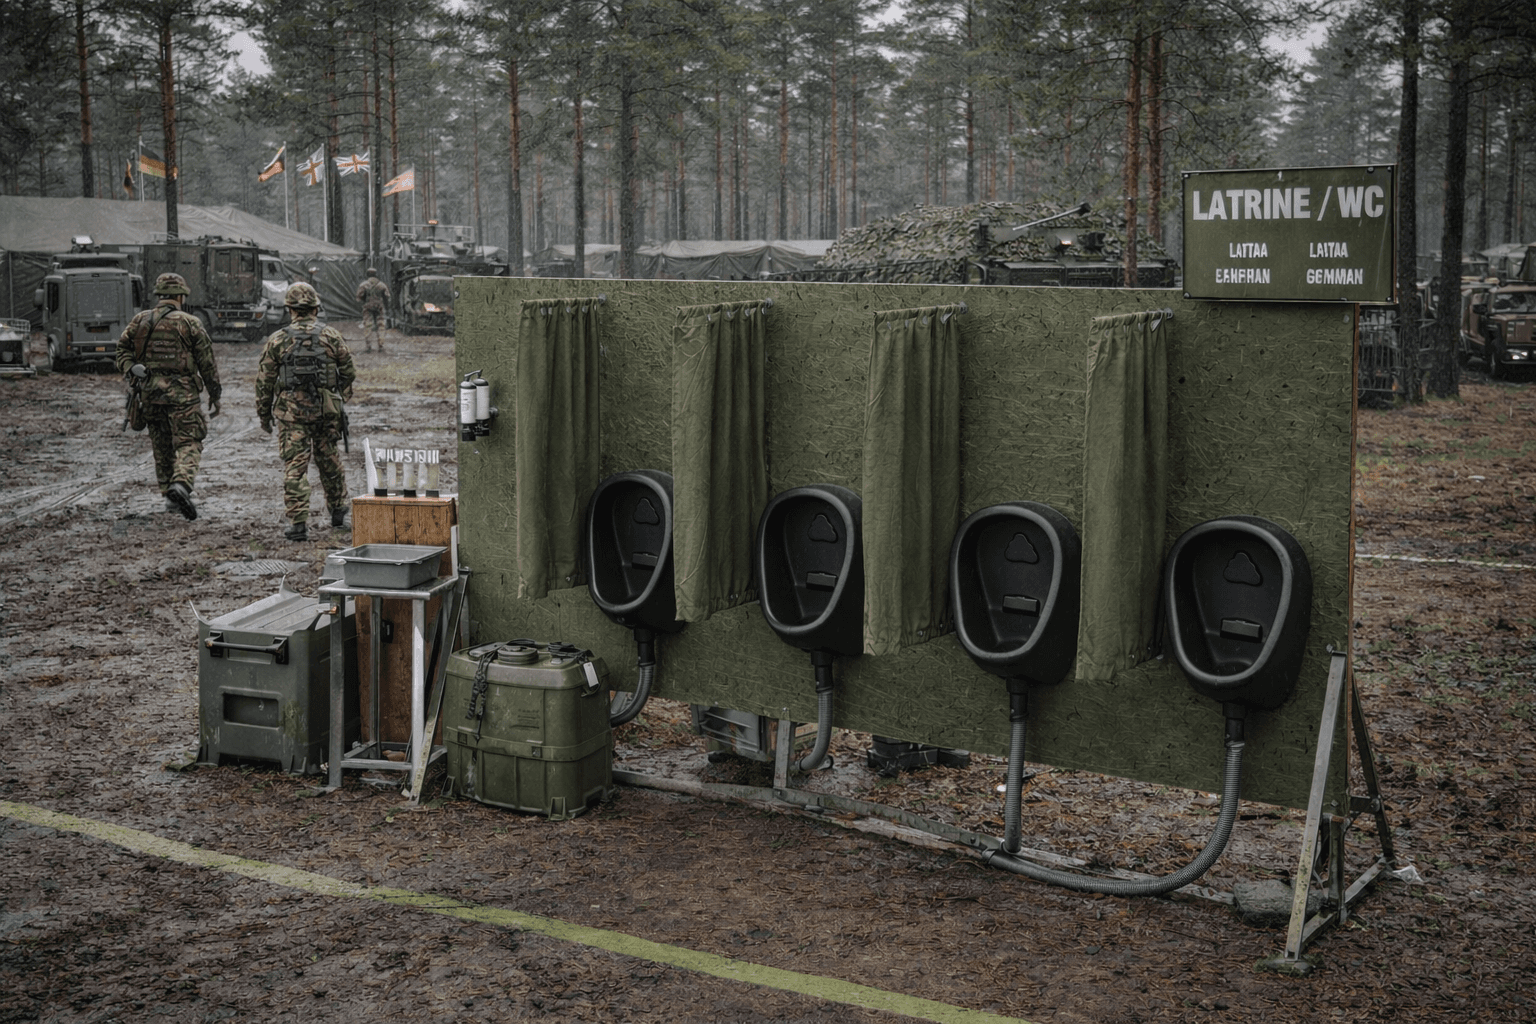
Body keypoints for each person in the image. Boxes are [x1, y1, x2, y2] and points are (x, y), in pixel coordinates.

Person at [114, 272, 221, 520]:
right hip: (182, 394)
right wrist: (215, 395)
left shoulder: (141, 320)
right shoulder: (190, 323)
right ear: (180, 296)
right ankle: (181, 485)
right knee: (189, 442)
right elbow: (207, 362)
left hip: (150, 394)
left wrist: (130, 367)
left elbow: (122, 349)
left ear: (159, 295)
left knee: (161, 446)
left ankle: (168, 496)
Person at [255, 282, 357, 542]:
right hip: (326, 413)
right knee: (329, 462)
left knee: (295, 467)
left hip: (292, 417)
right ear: (315, 308)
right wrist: (338, 398)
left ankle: (298, 523)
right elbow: (348, 372)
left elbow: (264, 381)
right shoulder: (331, 335)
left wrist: (264, 414)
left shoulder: (278, 339)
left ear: (290, 309)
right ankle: (338, 513)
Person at [355, 267, 390, 352]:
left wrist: (364, 303)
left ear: (367, 274)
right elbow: (387, 297)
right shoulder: (382, 285)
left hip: (368, 308)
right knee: (381, 326)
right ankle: (381, 346)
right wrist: (386, 307)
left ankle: (368, 347)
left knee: (368, 326)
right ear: (376, 274)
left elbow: (358, 298)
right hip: (379, 308)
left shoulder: (363, 285)